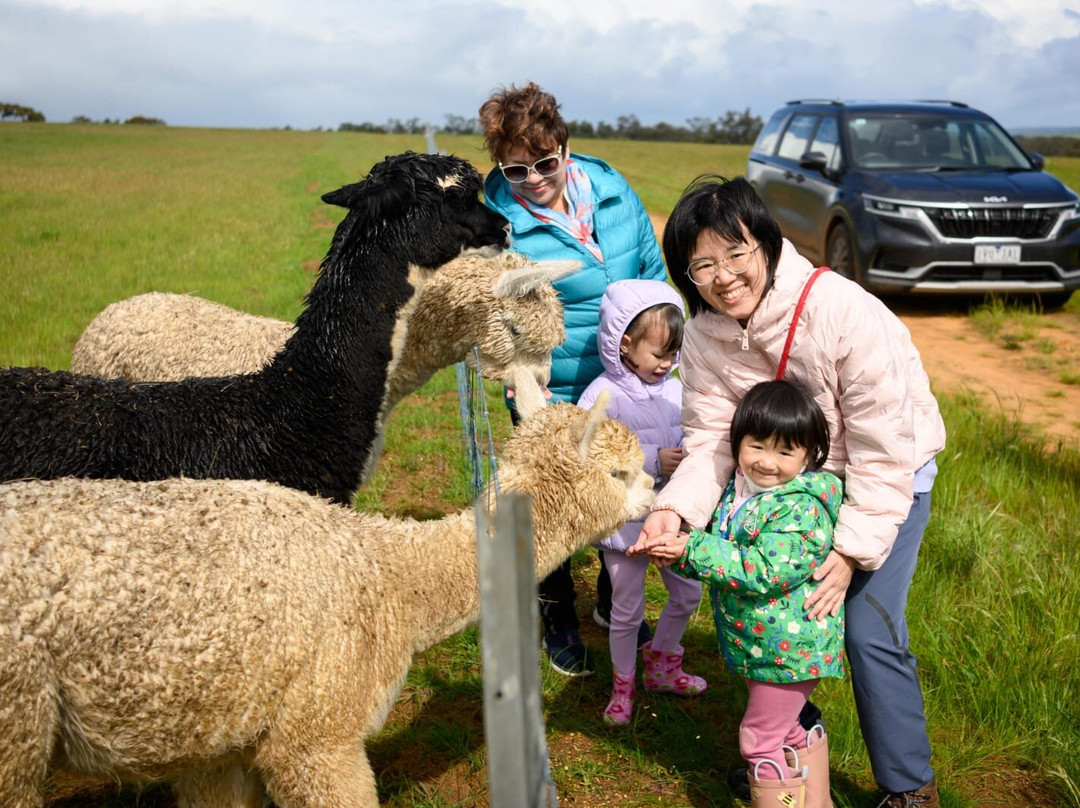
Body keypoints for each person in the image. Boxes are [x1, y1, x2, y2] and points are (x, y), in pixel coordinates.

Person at [635, 175, 946, 807]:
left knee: (863, 627)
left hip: (881, 481)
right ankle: (787, 748)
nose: (723, 276)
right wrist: (674, 512)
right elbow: (711, 443)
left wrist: (854, 548)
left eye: (736, 252)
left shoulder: (841, 310)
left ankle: (909, 787)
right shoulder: (703, 337)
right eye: (702, 264)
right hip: (781, 490)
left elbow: (885, 442)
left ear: (767, 244)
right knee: (765, 614)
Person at [478, 82, 667, 677]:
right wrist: (516, 375)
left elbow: (654, 270)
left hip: (631, 381)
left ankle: (617, 602)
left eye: (544, 163)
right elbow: (493, 311)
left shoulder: (614, 192)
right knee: (555, 504)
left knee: (622, 489)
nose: (533, 178)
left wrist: (664, 351)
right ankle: (557, 614)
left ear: (564, 145)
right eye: (515, 170)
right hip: (554, 392)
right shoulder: (497, 224)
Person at [631, 379, 843, 804]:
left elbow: (762, 569)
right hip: (765, 647)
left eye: (785, 451)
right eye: (757, 446)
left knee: (758, 742)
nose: (767, 462)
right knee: (786, 730)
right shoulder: (744, 489)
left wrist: (692, 549)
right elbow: (724, 542)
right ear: (737, 443)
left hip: (787, 652)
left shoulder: (799, 507)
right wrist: (679, 543)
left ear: (809, 454)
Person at [577, 279, 706, 725]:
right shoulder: (600, 396)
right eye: (659, 354)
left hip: (672, 518)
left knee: (688, 593)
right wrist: (653, 459)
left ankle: (663, 663)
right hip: (626, 524)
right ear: (625, 344)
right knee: (626, 609)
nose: (668, 364)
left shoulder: (677, 389)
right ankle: (622, 686)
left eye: (674, 355)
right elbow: (589, 458)